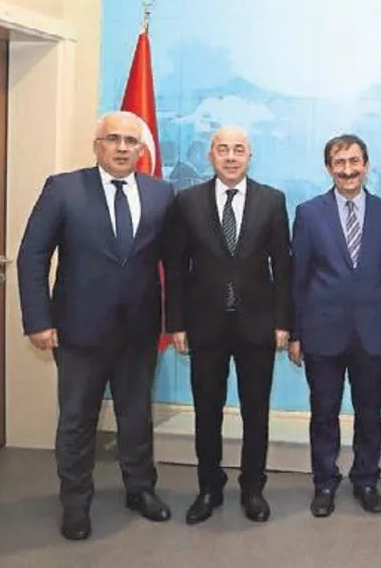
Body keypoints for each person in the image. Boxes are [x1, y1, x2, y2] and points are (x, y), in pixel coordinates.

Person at [16, 111, 175, 541]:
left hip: (139, 331)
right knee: (76, 420)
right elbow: (33, 254)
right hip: (78, 330)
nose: (122, 147)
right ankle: (75, 502)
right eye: (113, 139)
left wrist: (175, 320)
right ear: (97, 145)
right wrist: (38, 319)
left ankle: (140, 490)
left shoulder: (161, 193)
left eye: (131, 141)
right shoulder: (63, 189)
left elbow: (175, 262)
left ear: (141, 150)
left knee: (136, 416)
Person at [163, 126, 292, 525]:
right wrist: (176, 324)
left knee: (256, 411)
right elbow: (175, 268)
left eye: (239, 150)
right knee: (207, 411)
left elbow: (283, 267)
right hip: (205, 326)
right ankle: (209, 487)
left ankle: (253, 487)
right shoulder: (187, 201)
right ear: (211, 156)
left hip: (258, 325)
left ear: (250, 155)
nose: (231, 157)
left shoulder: (272, 200)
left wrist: (283, 321)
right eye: (223, 149)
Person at [289, 134, 381, 516]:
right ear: (328, 168)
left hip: (373, 332)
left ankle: (366, 480)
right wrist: (296, 333)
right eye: (340, 163)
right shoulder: (309, 213)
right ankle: (324, 483)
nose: (348, 170)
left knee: (369, 413)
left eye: (355, 161)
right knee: (324, 413)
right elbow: (298, 277)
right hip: (322, 333)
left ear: (366, 165)